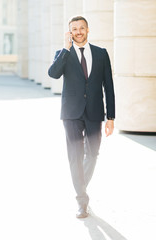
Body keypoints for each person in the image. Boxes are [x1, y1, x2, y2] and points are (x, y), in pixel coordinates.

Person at [48, 16, 115, 218]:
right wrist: (66, 49)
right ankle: (82, 201)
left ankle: (80, 186)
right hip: (71, 113)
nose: (78, 32)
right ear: (70, 32)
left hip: (95, 112)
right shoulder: (63, 54)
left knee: (92, 154)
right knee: (75, 157)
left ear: (87, 30)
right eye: (74, 29)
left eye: (81, 28)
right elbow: (53, 74)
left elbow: (109, 87)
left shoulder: (101, 54)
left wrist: (110, 116)